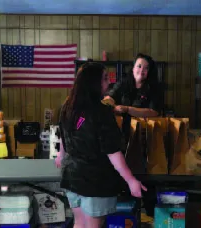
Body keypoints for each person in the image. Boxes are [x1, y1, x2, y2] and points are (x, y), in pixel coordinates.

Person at [54, 62, 147, 228]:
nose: (108, 83)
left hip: (71, 175)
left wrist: (61, 155)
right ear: (93, 83)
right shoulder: (101, 112)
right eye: (105, 78)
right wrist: (131, 180)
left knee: (79, 223)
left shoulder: (68, 105)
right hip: (94, 179)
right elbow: (112, 152)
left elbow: (64, 132)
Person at [103, 53, 162, 216]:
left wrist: (128, 109)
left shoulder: (154, 88)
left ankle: (150, 214)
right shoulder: (124, 83)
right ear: (133, 68)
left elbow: (154, 111)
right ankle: (129, 215)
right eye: (139, 66)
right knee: (123, 175)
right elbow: (110, 97)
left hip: (145, 138)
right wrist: (109, 103)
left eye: (146, 68)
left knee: (147, 178)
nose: (142, 70)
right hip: (122, 137)